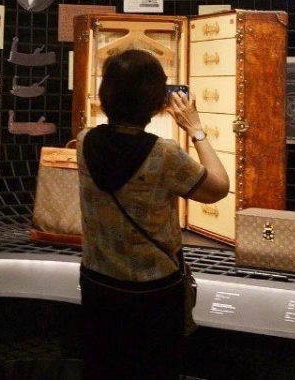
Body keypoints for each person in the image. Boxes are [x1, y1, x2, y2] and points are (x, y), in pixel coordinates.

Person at [77, 50, 229, 379]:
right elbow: (218, 188)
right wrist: (196, 129)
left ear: (105, 95)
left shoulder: (84, 141)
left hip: (97, 282)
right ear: (156, 101)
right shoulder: (164, 153)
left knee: (103, 367)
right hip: (152, 291)